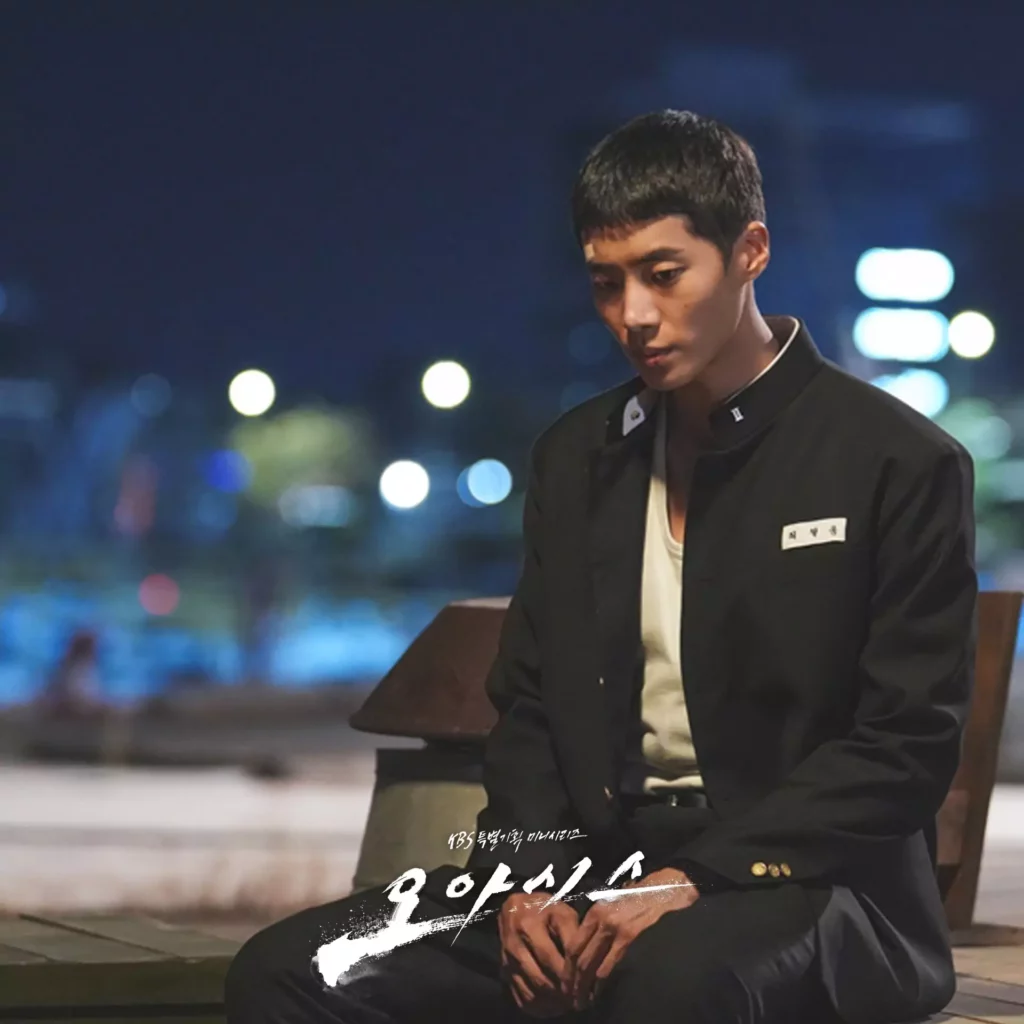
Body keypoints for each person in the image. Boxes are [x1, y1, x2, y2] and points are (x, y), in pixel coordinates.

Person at [224, 109, 977, 1024]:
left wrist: (693, 877)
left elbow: (904, 744)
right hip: (592, 874)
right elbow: (531, 708)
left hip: (815, 884)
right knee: (297, 971)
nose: (634, 315)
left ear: (749, 252)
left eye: (664, 274)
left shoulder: (893, 460)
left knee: (668, 986)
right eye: (606, 282)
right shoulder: (579, 458)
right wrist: (523, 881)